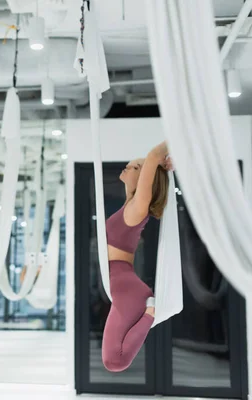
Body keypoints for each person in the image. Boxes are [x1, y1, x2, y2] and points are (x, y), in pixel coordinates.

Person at [102, 140, 172, 372]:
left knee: (115, 360)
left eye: (134, 166)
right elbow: (148, 167)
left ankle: (149, 313)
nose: (127, 166)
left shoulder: (138, 209)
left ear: (146, 179)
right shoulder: (129, 207)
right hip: (123, 287)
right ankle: (148, 312)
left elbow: (153, 156)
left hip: (126, 290)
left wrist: (175, 143)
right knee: (113, 359)